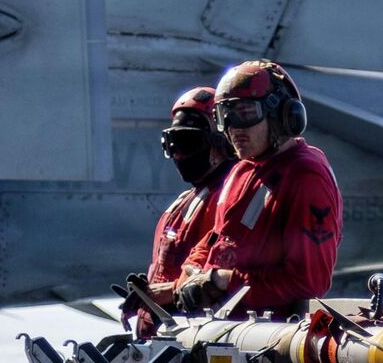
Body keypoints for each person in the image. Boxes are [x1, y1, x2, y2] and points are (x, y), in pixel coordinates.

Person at [177, 60, 343, 319]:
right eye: (224, 116)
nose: (234, 128)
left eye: (245, 112)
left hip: (268, 341)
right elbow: (215, 239)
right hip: (225, 329)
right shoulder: (242, 170)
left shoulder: (306, 175)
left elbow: (310, 281)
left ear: (282, 115)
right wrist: (193, 270)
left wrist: (225, 281)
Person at [132, 86, 237, 336]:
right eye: (173, 144)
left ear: (222, 144)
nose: (179, 154)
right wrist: (142, 298)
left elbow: (227, 276)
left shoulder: (232, 201)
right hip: (159, 342)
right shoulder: (181, 206)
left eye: (188, 143)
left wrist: (166, 292)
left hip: (195, 339)